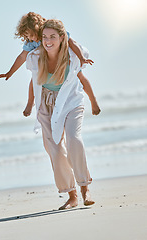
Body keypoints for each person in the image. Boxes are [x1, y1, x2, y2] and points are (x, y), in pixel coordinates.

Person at [26, 19, 95, 210]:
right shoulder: (35, 56)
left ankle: (84, 188)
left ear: (62, 37)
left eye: (53, 37)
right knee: (55, 150)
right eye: (45, 37)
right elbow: (33, 81)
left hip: (70, 101)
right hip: (46, 105)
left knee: (74, 139)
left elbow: (83, 78)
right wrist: (30, 104)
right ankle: (72, 195)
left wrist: (94, 102)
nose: (48, 41)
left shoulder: (74, 55)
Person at [0, 12, 100, 116]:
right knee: (34, 78)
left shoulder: (51, 30)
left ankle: (93, 101)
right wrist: (10, 72)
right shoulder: (31, 42)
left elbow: (72, 43)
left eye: (32, 35)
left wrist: (82, 58)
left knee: (80, 76)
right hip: (47, 64)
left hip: (64, 60)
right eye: (28, 36)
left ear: (37, 29)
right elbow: (21, 57)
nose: (31, 38)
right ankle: (30, 103)